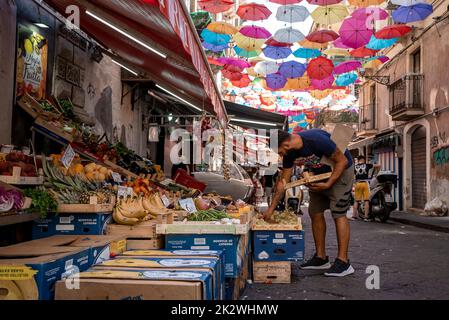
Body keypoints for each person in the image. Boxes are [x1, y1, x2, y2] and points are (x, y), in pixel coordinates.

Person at [264, 129, 355, 277]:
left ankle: (343, 262)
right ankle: (321, 258)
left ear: (285, 144)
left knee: (338, 213)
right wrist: (271, 209)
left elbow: (342, 161)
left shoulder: (316, 140)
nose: (280, 155)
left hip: (341, 171)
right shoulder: (290, 153)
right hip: (319, 175)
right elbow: (283, 182)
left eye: (279, 152)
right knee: (315, 212)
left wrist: (328, 184)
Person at [352, 155, 381, 221]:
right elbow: (379, 165)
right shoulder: (367, 165)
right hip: (365, 183)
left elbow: (352, 175)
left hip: (357, 184)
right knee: (366, 201)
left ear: (358, 160)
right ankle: (366, 217)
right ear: (363, 160)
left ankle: (354, 216)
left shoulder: (354, 166)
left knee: (356, 201)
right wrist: (376, 174)